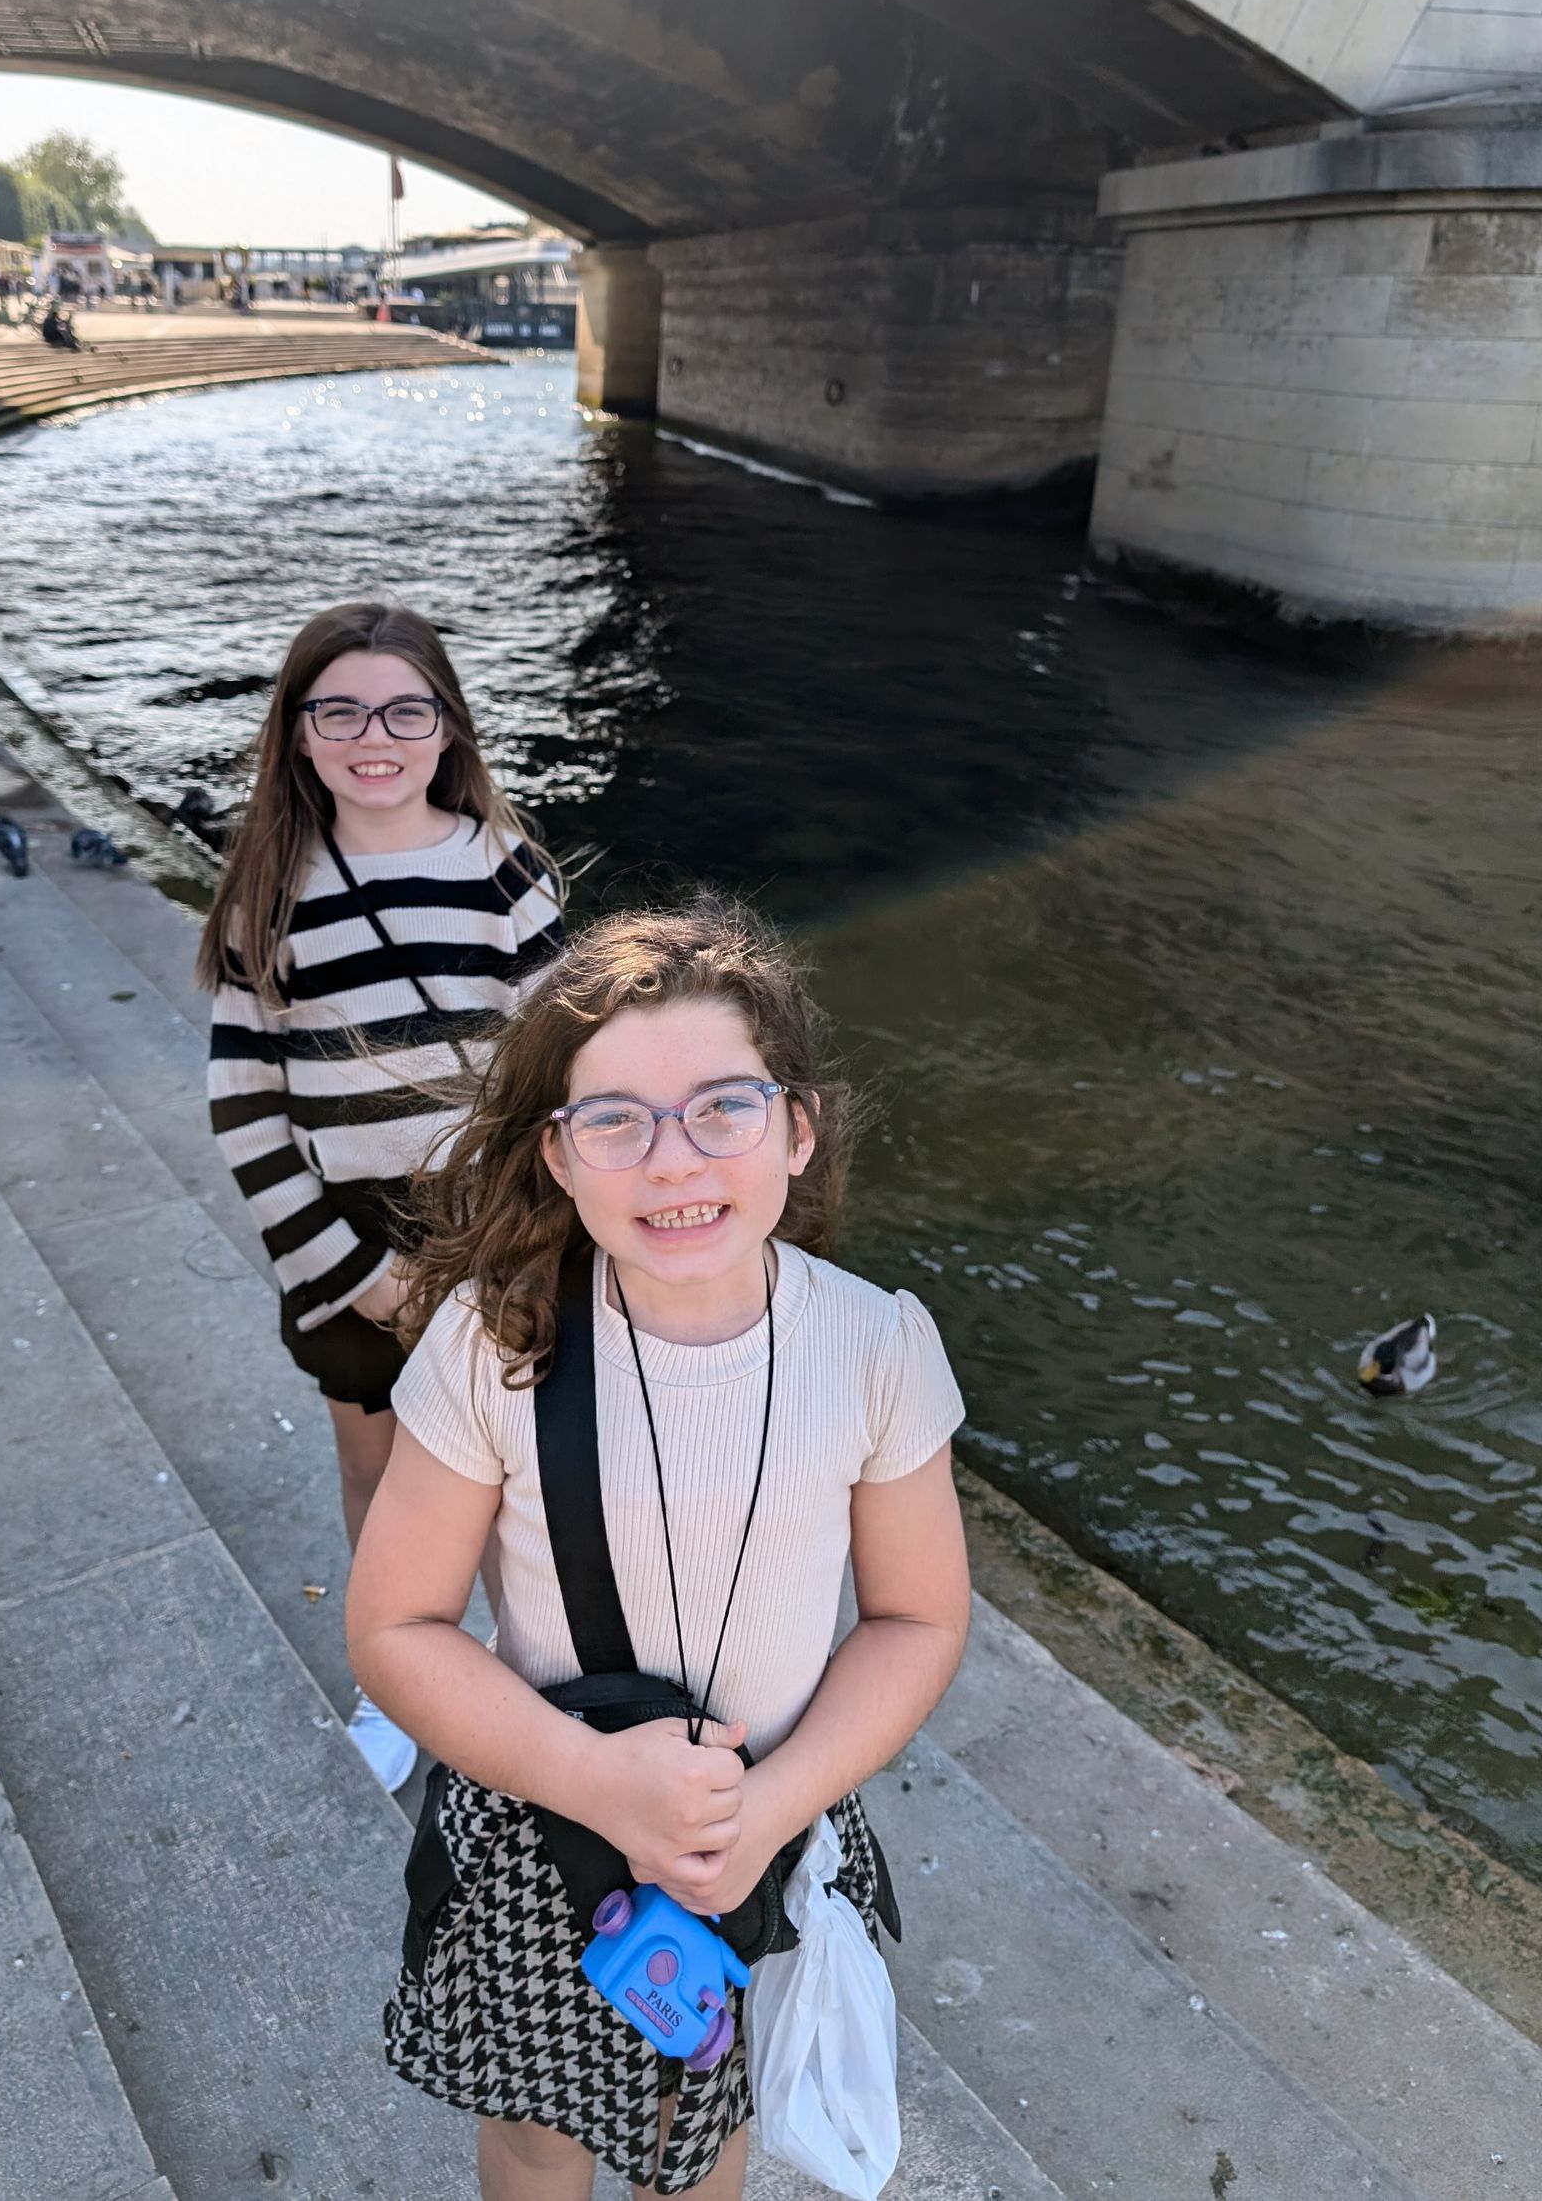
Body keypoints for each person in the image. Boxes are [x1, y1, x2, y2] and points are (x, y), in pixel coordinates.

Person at [345, 901, 973, 2200]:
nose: (674, 1159)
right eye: (615, 1119)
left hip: (767, 1810)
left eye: (722, 1107)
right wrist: (593, 1776)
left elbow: (917, 1616)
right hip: (542, 1817)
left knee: (704, 2126)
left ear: (797, 1128)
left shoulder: (877, 1345)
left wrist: (772, 1810)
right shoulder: (491, 1340)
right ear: (561, 1158)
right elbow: (395, 1623)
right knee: (535, 2127)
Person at [199, 602, 563, 1793]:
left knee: (519, 1461)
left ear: (448, 727)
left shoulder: (503, 868)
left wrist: (520, 1243)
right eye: (341, 710)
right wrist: (357, 1274)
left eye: (408, 709)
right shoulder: (267, 888)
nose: (376, 736)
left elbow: (560, 1072)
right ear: (298, 733)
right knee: (380, 1470)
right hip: (343, 1233)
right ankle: (402, 1672)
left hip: (494, 1222)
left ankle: (534, 1662)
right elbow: (248, 1103)